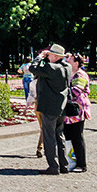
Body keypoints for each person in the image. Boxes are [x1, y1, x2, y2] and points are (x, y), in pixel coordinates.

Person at [30, 44, 70, 175]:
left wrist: (39, 57)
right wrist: (47, 58)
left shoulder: (50, 68)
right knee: (60, 136)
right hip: (61, 107)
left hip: (49, 107)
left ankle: (53, 166)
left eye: (51, 54)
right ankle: (64, 165)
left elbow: (32, 68)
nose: (48, 55)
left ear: (57, 56)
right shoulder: (67, 67)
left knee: (49, 137)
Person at [62, 54, 91, 172]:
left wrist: (60, 91)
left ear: (76, 63)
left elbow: (76, 90)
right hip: (69, 109)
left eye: (69, 59)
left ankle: (81, 164)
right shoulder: (69, 74)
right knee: (68, 136)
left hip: (78, 109)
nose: (66, 61)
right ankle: (71, 161)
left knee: (77, 136)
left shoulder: (81, 74)